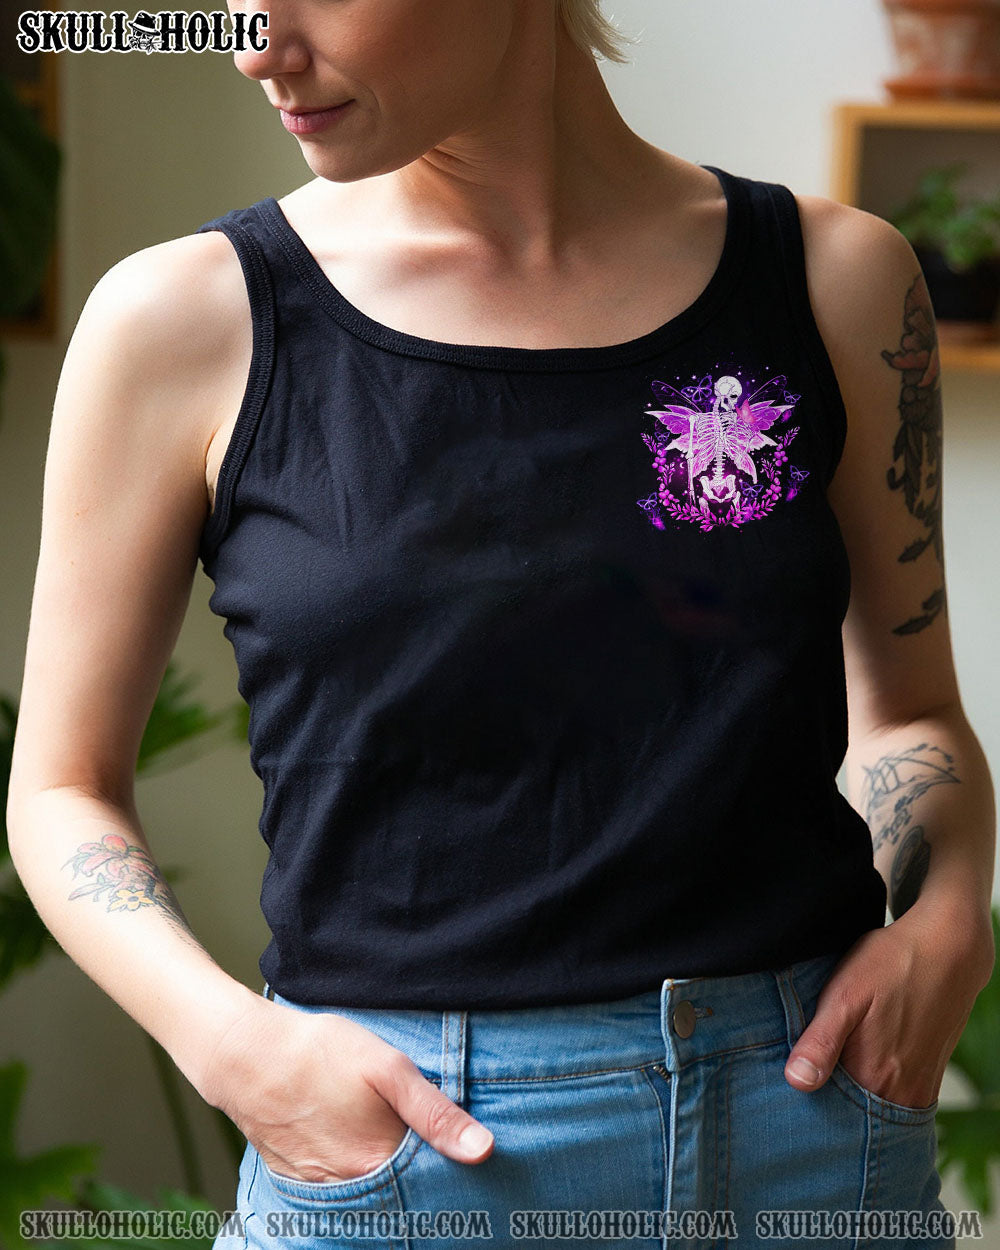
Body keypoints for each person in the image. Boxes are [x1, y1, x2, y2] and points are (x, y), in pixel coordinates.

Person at [7, 1, 996, 1246]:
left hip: (805, 1134)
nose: (257, 44)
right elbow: (62, 787)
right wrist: (230, 1049)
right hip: (404, 1159)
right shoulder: (181, 320)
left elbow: (909, 710)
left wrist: (949, 916)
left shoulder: (834, 279)